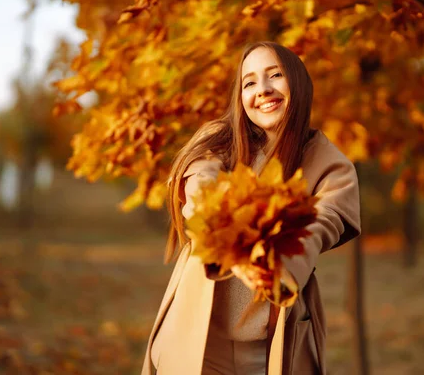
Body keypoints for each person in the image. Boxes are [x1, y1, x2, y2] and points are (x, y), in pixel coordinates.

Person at [142, 41, 361, 375]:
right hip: (198, 341)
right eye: (249, 82)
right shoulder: (220, 140)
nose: (263, 89)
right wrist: (233, 247)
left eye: (275, 76)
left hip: (269, 348)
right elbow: (200, 183)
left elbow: (323, 221)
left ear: (298, 84)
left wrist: (270, 266)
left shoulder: (328, 163)